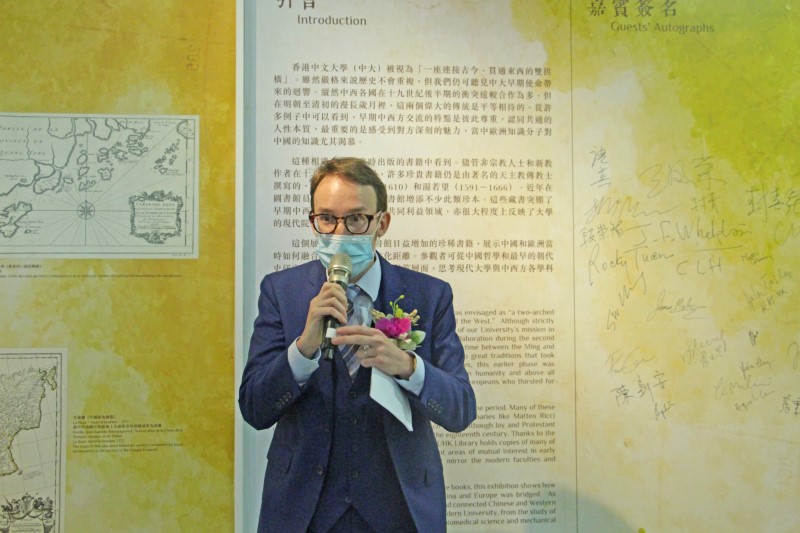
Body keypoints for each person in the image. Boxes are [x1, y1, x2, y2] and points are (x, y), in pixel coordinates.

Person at [239, 157, 476, 533]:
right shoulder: (281, 292)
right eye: (327, 218)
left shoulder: (429, 295)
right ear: (313, 221)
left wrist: (408, 367)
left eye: (355, 219)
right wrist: (303, 348)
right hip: (304, 508)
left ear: (382, 222)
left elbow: (461, 410)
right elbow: (254, 408)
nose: (340, 232)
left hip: (399, 507)